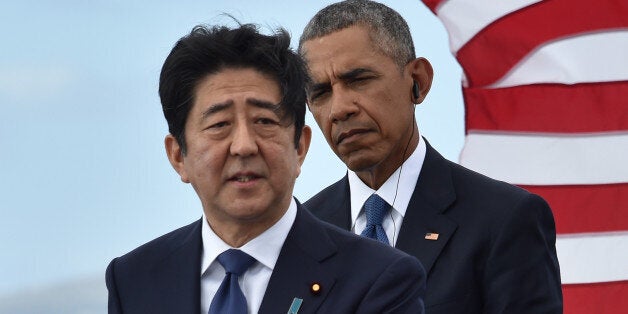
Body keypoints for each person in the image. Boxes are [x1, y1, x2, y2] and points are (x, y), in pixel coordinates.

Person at [105, 22, 426, 314]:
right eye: (219, 124)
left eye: (264, 121)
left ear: (299, 146)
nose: (244, 145)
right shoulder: (134, 279)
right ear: (178, 156)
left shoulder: (378, 279)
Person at [299, 1, 562, 313]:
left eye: (359, 79)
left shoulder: (505, 219)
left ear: (418, 81)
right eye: (321, 93)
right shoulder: (298, 236)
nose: (340, 108)